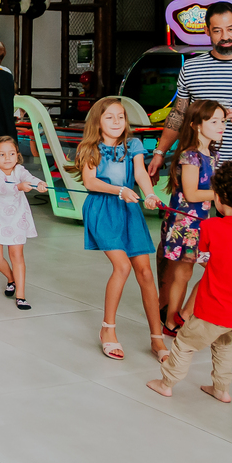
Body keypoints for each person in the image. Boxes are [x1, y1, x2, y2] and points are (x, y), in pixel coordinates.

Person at [147, 162, 232, 402]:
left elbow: (204, 256)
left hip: (216, 309)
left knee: (185, 343)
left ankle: (166, 383)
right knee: (223, 344)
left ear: (218, 198)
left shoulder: (210, 226)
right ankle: (221, 388)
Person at [71, 97, 167, 363]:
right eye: (109, 117)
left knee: (146, 273)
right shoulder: (89, 147)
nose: (116, 121)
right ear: (98, 122)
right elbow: (91, 182)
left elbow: (140, 174)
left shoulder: (133, 145)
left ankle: (157, 338)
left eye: (121, 116)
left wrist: (149, 194)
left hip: (129, 209)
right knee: (122, 266)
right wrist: (119, 190)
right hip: (102, 209)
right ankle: (108, 329)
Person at [147, 1, 232, 178]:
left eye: (231, 29)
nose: (225, 36)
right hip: (194, 167)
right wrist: (160, 153)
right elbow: (179, 114)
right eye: (217, 31)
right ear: (207, 31)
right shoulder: (191, 68)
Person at [159, 100, 225, 335]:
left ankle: (178, 317)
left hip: (201, 223)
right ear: (196, 125)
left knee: (188, 272)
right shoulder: (191, 155)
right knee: (191, 271)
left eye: (223, 121)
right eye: (214, 121)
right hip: (185, 224)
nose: (221, 126)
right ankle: (176, 319)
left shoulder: (210, 153)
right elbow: (191, 193)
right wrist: (225, 193)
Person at [0, 135, 47, 309]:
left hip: (17, 218)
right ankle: (11, 278)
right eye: (1, 154)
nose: (7, 158)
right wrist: (19, 187)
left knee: (17, 256)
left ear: (17, 155)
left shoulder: (19, 170)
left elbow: (30, 178)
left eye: (11, 153)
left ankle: (20, 295)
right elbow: (2, 187)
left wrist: (40, 184)